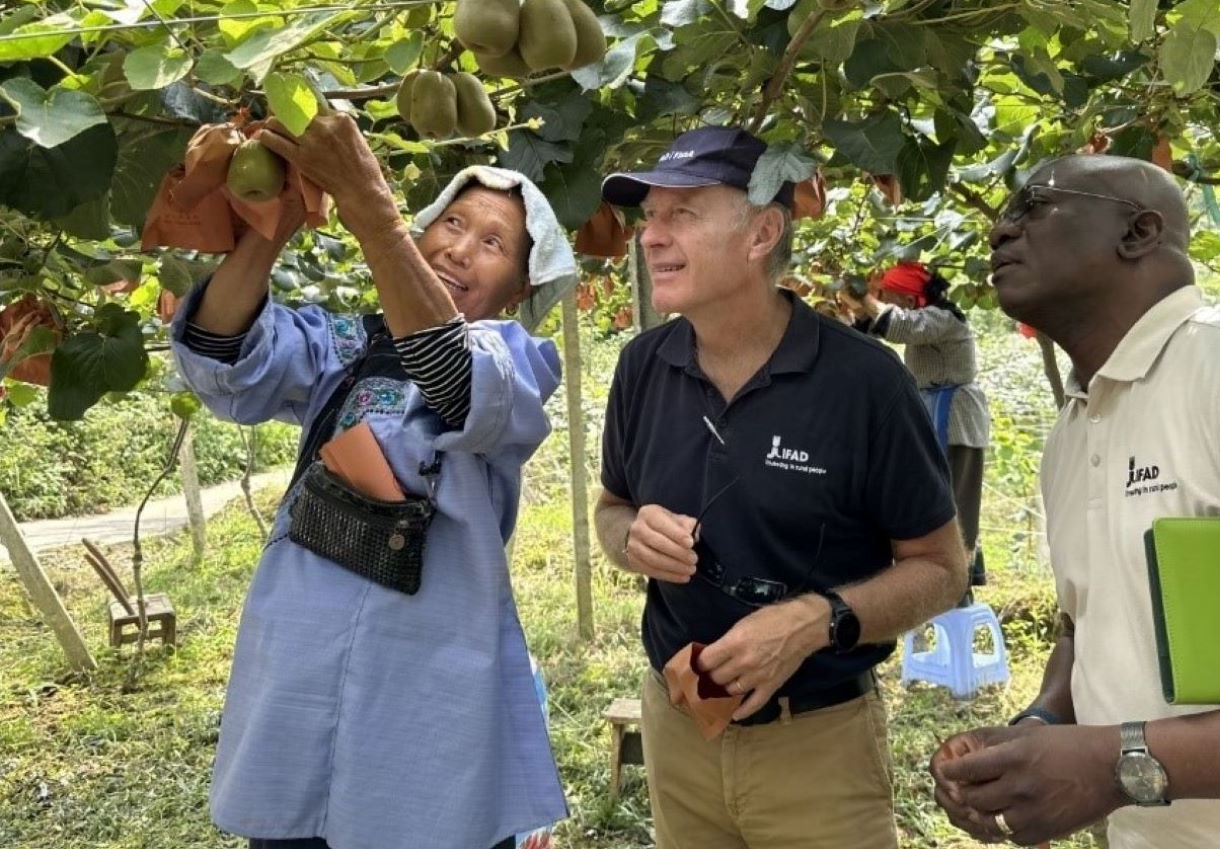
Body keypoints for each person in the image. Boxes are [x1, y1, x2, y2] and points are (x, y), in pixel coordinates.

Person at [169, 112, 576, 849]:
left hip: (422, 686)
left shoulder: (518, 360)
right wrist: (273, 223)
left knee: (419, 821)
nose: (460, 247)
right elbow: (219, 352)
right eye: (452, 222)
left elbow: (457, 380)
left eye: (493, 243)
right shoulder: (344, 343)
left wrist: (368, 206)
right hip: (298, 669)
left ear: (518, 288)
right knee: (293, 824)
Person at [930, 154, 1220, 848]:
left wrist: (1115, 764)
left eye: (1033, 203)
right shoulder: (1076, 422)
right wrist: (1039, 727)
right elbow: (1087, 624)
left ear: (1139, 231)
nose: (1000, 230)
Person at [593, 126, 968, 849]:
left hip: (818, 745)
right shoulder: (643, 365)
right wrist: (632, 537)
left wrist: (813, 621)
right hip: (678, 725)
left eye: (683, 214)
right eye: (649, 217)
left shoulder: (864, 383)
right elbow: (613, 509)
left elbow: (941, 568)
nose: (650, 237)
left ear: (763, 232)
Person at [848, 261, 991, 589]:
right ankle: (942, 573)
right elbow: (869, 333)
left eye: (891, 296)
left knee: (957, 499)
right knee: (934, 495)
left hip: (957, 419)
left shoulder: (945, 320)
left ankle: (960, 579)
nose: (885, 301)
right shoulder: (926, 319)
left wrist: (866, 297)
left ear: (911, 301)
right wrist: (856, 305)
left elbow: (899, 327)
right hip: (932, 410)